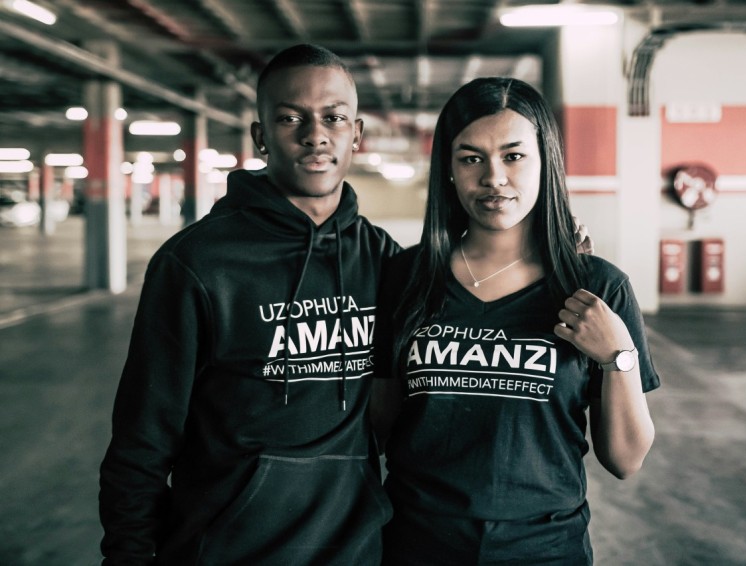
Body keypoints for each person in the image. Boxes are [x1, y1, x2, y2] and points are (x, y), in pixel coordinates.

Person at [99, 44, 399, 565]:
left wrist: (554, 255)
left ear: (357, 133)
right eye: (290, 118)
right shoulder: (195, 263)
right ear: (261, 137)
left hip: (352, 549)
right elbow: (142, 435)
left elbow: (475, 298)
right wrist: (126, 553)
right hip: (226, 548)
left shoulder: (383, 259)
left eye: (334, 117)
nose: (315, 134)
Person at [372, 77, 660, 565]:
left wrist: (618, 357)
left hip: (545, 549)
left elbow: (625, 460)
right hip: (417, 544)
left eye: (514, 155)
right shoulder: (405, 277)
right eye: (471, 158)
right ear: (448, 169)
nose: (494, 178)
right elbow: (376, 429)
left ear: (546, 162)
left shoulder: (595, 289)